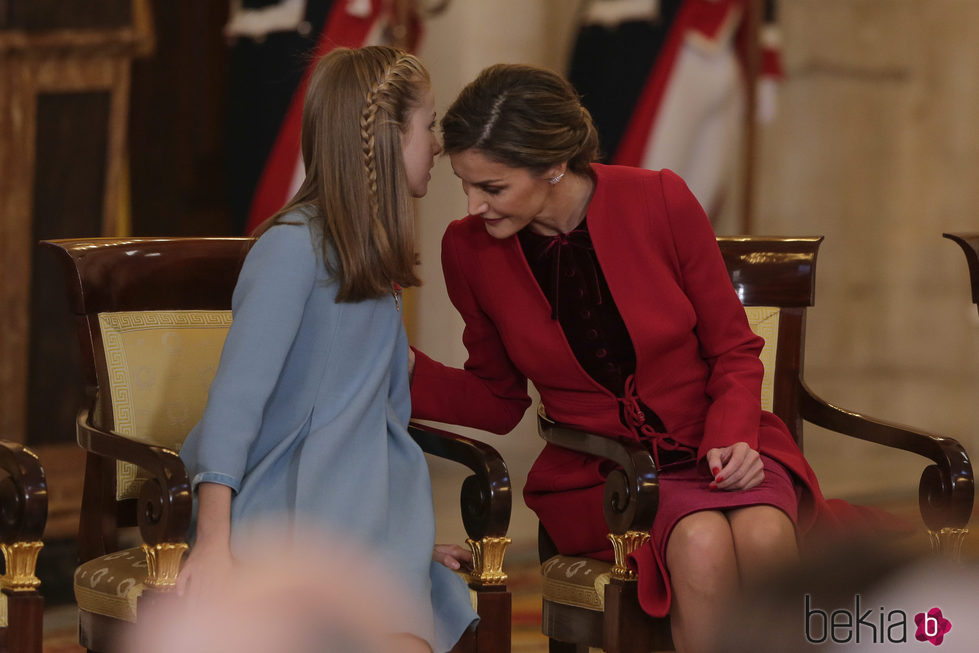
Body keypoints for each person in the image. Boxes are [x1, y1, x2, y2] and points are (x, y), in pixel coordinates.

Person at [409, 63, 881, 653]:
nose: (475, 205)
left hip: (718, 446)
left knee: (764, 533)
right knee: (700, 541)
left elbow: (734, 347)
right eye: (465, 184)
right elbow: (498, 398)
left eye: (493, 187)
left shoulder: (658, 197)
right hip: (606, 475)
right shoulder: (468, 249)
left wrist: (734, 435)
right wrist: (398, 372)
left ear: (554, 165)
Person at [177, 46, 477, 653]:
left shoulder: (370, 262)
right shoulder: (291, 250)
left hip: (371, 519)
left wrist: (411, 540)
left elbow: (381, 422)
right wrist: (213, 544)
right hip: (297, 514)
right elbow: (234, 406)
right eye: (431, 124)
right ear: (391, 137)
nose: (439, 144)